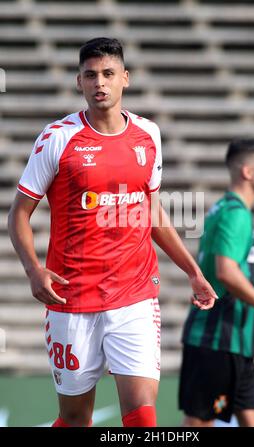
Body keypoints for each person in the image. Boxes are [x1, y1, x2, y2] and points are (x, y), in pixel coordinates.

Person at [7, 37, 217, 428]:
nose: (99, 83)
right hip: (71, 299)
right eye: (90, 75)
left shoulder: (147, 134)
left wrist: (193, 270)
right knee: (74, 419)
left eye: (107, 74)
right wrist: (33, 270)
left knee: (142, 418)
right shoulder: (57, 138)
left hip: (133, 297)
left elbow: (151, 211)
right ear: (79, 82)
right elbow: (19, 213)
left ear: (125, 79)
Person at [179, 138, 254, 427]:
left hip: (235, 342)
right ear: (248, 172)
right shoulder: (235, 214)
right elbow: (225, 271)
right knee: (200, 422)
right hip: (217, 340)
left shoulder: (223, 209)